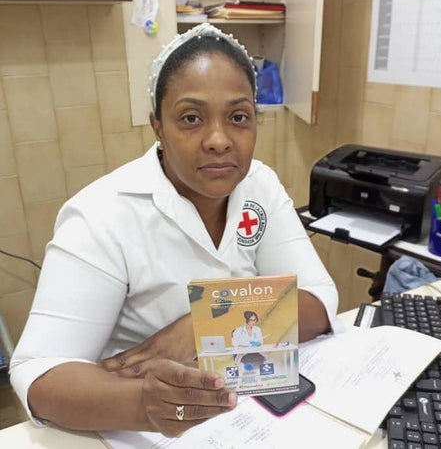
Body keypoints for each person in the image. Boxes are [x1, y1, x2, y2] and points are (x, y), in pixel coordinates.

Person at [9, 23, 340, 438]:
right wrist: (143, 404)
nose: (219, 140)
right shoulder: (102, 214)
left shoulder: (260, 185)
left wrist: (205, 328)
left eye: (239, 117)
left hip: (253, 412)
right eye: (191, 118)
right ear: (158, 127)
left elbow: (320, 301)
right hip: (141, 426)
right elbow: (38, 373)